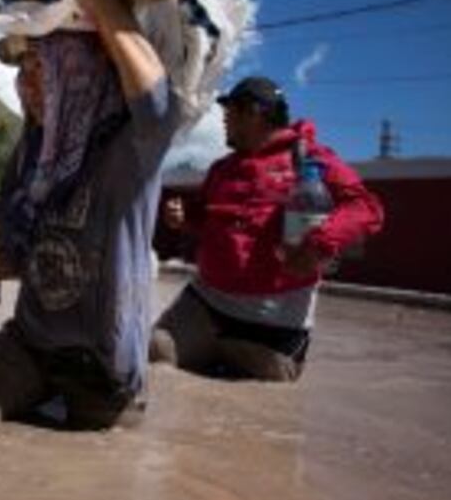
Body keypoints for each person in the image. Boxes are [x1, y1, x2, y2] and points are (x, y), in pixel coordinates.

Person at [0, 0, 182, 430]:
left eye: (42, 67)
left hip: (103, 366)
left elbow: (161, 106)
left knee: (95, 466)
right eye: (22, 71)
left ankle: (138, 372)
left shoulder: (128, 147)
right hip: (31, 340)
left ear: (81, 67)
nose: (26, 85)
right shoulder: (32, 152)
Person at [150, 76, 384, 381]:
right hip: (205, 306)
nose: (223, 121)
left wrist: (320, 243)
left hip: (272, 325)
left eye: (230, 113)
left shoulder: (310, 159)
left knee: (250, 405)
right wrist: (184, 215)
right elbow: (204, 215)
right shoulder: (222, 168)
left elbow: (365, 208)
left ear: (254, 112)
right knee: (154, 354)